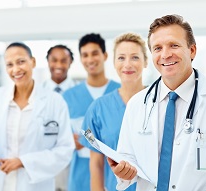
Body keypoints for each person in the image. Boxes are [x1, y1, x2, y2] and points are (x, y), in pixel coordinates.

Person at [107, 14, 206, 191]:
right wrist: (124, 172)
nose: (165, 54)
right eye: (157, 48)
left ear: (192, 50)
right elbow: (127, 157)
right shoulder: (137, 104)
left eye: (174, 45)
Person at [0, 42, 75, 191]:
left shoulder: (55, 101)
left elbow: (65, 149)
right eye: (9, 64)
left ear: (32, 62)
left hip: (36, 185)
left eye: (21, 62)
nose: (16, 69)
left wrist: (23, 162)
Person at [80, 32, 147, 191]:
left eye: (135, 57)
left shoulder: (160, 102)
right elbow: (96, 163)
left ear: (146, 62)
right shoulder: (98, 108)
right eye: (121, 58)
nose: (128, 64)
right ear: (114, 62)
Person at [63, 33, 120, 191]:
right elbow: (58, 139)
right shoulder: (68, 97)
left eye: (95, 53)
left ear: (105, 55)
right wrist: (68, 141)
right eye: (85, 55)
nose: (90, 60)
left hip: (115, 174)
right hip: (80, 176)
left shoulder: (121, 92)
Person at [43, 44, 75, 191]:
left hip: (73, 162)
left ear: (70, 63)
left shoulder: (79, 93)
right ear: (47, 61)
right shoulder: (36, 94)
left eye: (64, 60)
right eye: (54, 60)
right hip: (45, 161)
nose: (58, 65)